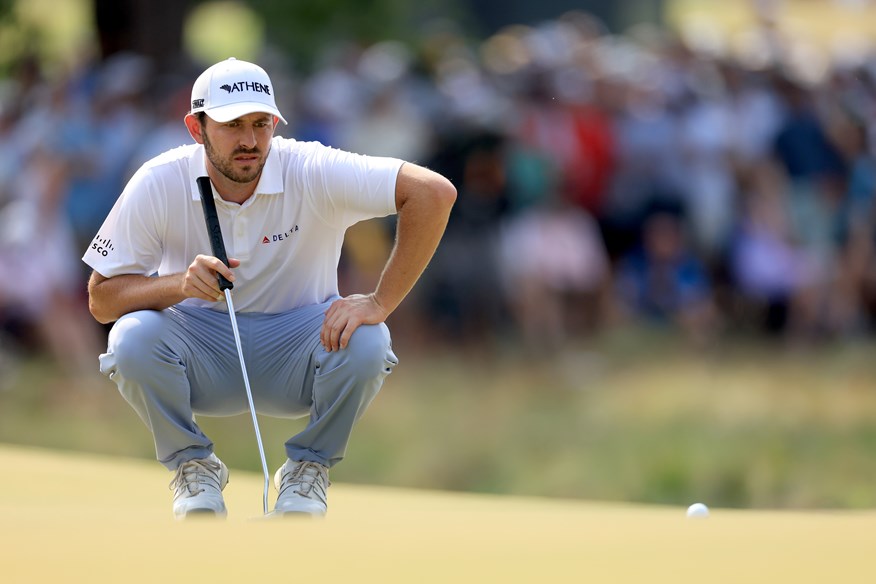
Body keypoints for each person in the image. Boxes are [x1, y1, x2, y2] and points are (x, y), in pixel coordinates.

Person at [82, 58, 456, 519]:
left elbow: (434, 192)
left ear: (276, 124)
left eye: (261, 124)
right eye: (232, 125)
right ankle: (193, 465)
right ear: (196, 128)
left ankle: (307, 470)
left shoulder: (313, 167)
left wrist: (380, 302)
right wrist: (178, 285)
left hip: (301, 351)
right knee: (131, 336)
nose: (249, 141)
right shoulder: (159, 179)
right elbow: (101, 300)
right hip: (200, 350)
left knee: (369, 338)